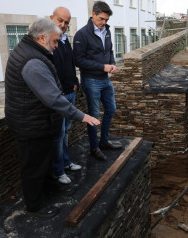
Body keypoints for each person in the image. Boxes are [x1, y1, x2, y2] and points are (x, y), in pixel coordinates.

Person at [4, 18, 100, 218]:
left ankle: (49, 191)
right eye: (55, 41)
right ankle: (35, 206)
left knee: (43, 162)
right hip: (30, 124)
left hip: (36, 121)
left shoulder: (31, 51)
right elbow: (53, 98)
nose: (57, 46)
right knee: (33, 167)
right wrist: (82, 116)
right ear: (42, 38)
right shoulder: (32, 62)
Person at [73, 1, 122, 161]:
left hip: (105, 80)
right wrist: (103, 67)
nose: (104, 23)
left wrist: (112, 64)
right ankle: (94, 148)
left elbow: (110, 51)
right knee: (93, 115)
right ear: (93, 14)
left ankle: (104, 141)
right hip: (91, 80)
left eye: (106, 20)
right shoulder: (82, 34)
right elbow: (78, 60)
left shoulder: (106, 31)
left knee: (111, 109)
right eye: (101, 19)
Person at [50, 7, 82, 185]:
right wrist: (56, 90)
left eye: (66, 23)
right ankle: (58, 170)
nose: (63, 25)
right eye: (60, 20)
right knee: (59, 133)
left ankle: (66, 162)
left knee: (66, 131)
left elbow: (69, 63)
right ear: (51, 18)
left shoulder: (64, 40)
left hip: (71, 92)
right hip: (59, 96)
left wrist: (75, 82)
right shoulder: (48, 41)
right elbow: (48, 69)